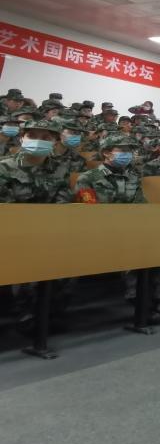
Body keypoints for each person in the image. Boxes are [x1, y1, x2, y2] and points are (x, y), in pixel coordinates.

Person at [76, 135, 160, 322]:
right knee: (135, 249)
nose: (127, 154)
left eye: (129, 151)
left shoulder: (132, 177)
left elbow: (142, 206)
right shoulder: (87, 178)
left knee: (158, 246)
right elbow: (87, 212)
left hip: (131, 229)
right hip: (102, 231)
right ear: (106, 152)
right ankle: (139, 302)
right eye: (122, 150)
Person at [0, 119, 75, 333]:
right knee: (28, 263)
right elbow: (5, 208)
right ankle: (27, 316)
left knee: (70, 263)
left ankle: (53, 313)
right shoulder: (4, 167)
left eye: (45, 138)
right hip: (13, 234)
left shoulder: (60, 169)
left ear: (55, 142)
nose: (38, 141)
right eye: (32, 136)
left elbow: (63, 204)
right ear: (22, 138)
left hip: (50, 232)